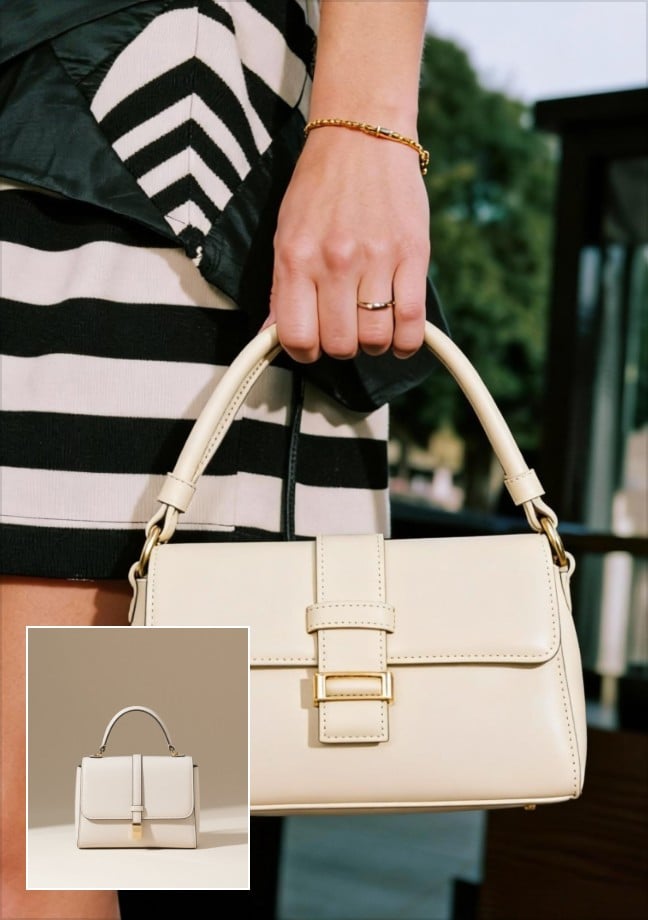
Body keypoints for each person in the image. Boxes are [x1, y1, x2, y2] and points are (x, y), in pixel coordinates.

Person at [0, 1, 440, 916]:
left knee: (78, 840)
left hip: (113, 158)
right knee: (121, 837)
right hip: (103, 146)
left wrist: (367, 126)